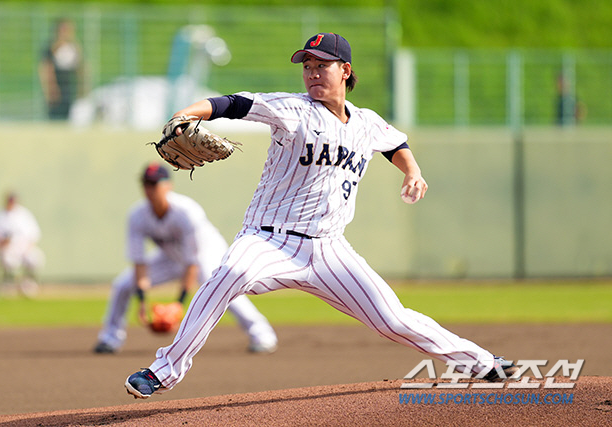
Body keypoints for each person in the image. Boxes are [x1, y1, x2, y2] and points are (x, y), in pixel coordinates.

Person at [125, 33, 520, 399]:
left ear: (345, 71)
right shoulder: (294, 109)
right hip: (269, 239)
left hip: (331, 250)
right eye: (307, 66)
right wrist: (185, 113)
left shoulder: (365, 122)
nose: (312, 73)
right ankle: (164, 371)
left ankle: (483, 364)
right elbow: (232, 103)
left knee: (393, 319)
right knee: (229, 275)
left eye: (321, 66)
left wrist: (413, 172)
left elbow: (394, 142)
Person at [94, 163, 278, 355]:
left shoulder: (186, 212)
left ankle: (262, 334)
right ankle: (110, 338)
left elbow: (192, 263)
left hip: (207, 253)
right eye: (147, 184)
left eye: (155, 184)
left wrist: (178, 304)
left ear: (168, 186)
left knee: (220, 285)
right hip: (170, 257)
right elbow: (139, 262)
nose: (150, 189)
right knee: (123, 284)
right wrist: (142, 301)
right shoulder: (137, 215)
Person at [0, 192, 44, 296]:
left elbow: (34, 234)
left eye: (13, 200)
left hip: (25, 248)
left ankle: (28, 284)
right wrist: (2, 244)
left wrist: (27, 247)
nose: (11, 203)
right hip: (7, 250)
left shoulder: (24, 214)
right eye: (10, 200)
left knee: (35, 258)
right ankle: (9, 285)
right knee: (9, 262)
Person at [38, 18, 84, 120]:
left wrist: (82, 87)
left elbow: (81, 67)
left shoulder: (73, 47)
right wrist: (50, 89)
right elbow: (46, 69)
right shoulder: (51, 47)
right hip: (56, 89)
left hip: (70, 88)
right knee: (55, 117)